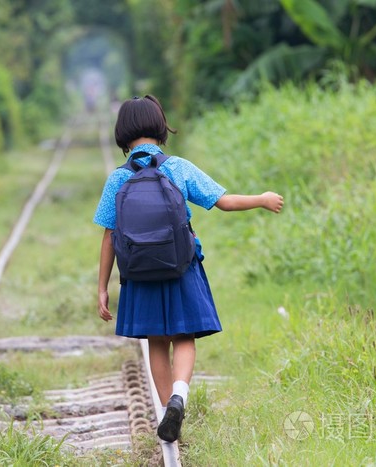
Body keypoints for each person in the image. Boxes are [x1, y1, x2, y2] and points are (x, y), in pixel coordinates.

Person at [93, 95, 284, 443]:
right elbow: (223, 202)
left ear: (122, 133)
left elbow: (109, 236)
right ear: (160, 126)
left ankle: (169, 410)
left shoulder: (116, 180)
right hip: (181, 267)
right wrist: (261, 198)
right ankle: (179, 396)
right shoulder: (177, 167)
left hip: (138, 274)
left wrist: (103, 287)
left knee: (157, 341)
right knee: (184, 336)